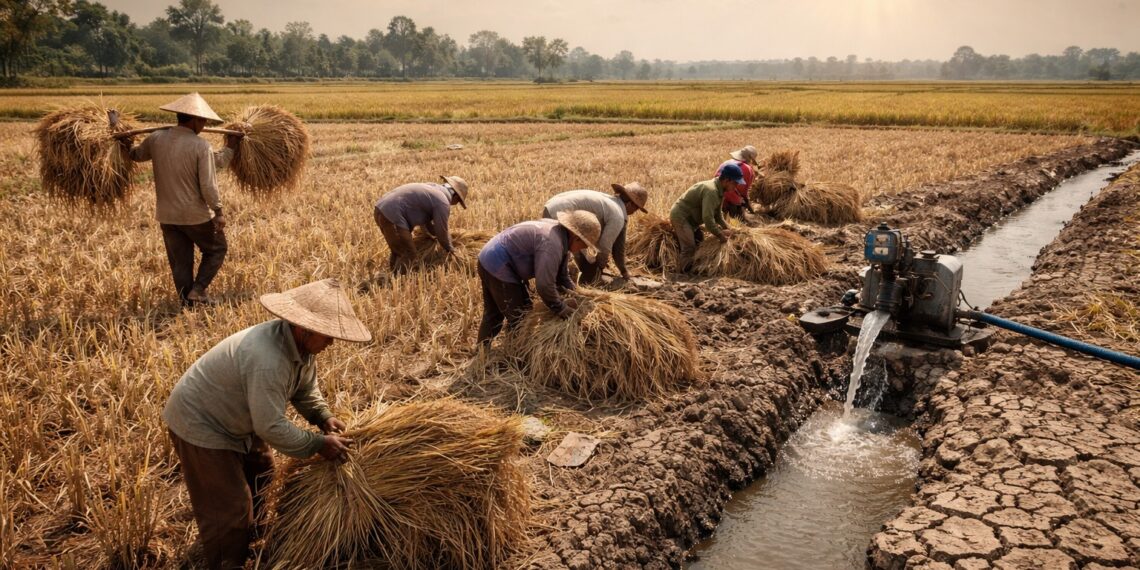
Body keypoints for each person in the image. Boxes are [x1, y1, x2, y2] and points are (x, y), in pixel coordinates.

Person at [162, 278, 371, 569]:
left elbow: (305, 389)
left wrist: (323, 417)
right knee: (231, 509)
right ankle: (228, 560)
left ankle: (253, 540)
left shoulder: (301, 349)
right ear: (305, 329)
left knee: (262, 477)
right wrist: (319, 444)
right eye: (326, 335)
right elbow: (270, 427)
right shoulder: (268, 359)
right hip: (201, 423)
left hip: (239, 416)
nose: (331, 342)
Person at [124, 92, 242, 307]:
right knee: (217, 248)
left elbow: (135, 155)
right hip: (194, 215)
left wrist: (125, 139)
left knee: (180, 261)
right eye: (203, 120)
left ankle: (187, 303)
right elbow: (208, 184)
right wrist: (218, 211)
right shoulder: (200, 145)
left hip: (167, 215)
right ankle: (198, 290)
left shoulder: (156, 138)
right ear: (195, 119)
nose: (204, 124)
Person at [476, 210, 601, 346]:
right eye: (583, 245)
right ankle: (515, 354)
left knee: (500, 311)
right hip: (498, 264)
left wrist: (577, 293)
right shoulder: (551, 244)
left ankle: (482, 349)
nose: (578, 250)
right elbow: (544, 285)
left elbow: (562, 275)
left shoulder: (560, 234)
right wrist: (560, 307)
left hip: (491, 257)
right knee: (520, 317)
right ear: (576, 237)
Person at [541, 182, 649, 283]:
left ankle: (560, 281)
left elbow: (618, 246)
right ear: (630, 204)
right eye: (636, 210)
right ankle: (557, 284)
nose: (633, 213)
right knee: (567, 250)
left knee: (577, 258)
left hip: (551, 206)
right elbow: (605, 246)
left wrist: (623, 270)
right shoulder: (617, 215)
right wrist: (599, 270)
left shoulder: (613, 205)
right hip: (560, 213)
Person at [373, 176, 469, 273]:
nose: (455, 204)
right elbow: (441, 232)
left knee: (398, 250)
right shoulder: (442, 202)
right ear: (455, 196)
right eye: (458, 201)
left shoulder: (431, 188)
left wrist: (431, 236)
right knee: (410, 254)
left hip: (380, 209)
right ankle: (399, 281)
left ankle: (392, 277)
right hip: (392, 215)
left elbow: (427, 224)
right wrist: (451, 249)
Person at [670, 163, 746, 271]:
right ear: (727, 180)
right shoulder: (712, 191)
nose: (736, 187)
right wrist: (720, 235)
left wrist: (728, 228)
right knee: (689, 248)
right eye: (735, 183)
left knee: (699, 242)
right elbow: (708, 219)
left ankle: (689, 268)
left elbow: (718, 215)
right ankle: (681, 274)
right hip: (682, 216)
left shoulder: (719, 190)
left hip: (692, 219)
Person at [719, 145, 758, 219]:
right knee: (740, 215)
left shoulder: (727, 162)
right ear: (751, 159)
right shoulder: (747, 169)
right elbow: (743, 192)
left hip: (716, 197)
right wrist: (748, 207)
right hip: (727, 197)